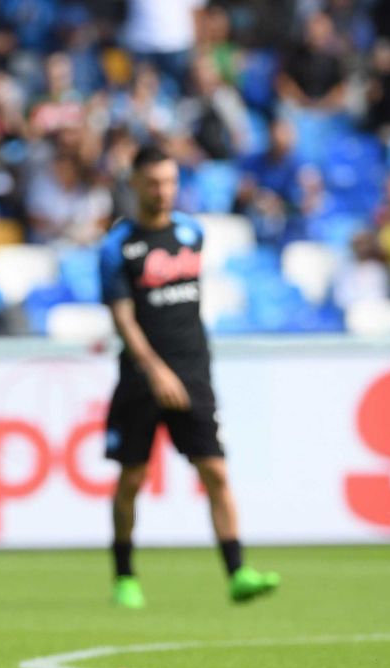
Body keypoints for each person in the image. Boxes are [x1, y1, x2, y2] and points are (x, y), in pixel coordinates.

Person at [98, 145, 279, 609]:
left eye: (171, 182)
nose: (164, 191)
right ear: (135, 183)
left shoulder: (192, 232)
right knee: (132, 479)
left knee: (215, 470)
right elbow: (124, 319)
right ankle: (124, 574)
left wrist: (182, 368)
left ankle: (238, 571)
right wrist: (155, 370)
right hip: (142, 379)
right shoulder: (118, 246)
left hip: (194, 372)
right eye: (155, 182)